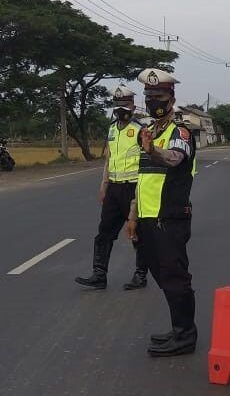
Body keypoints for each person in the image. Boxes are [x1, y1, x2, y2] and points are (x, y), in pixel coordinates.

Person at [125, 68, 198, 357]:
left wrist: (153, 150)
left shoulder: (180, 132)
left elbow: (174, 159)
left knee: (175, 277)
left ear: (171, 98)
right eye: (149, 96)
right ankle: (178, 328)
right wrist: (132, 216)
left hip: (170, 218)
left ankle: (185, 335)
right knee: (162, 276)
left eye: (159, 96)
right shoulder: (149, 131)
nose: (154, 101)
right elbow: (142, 179)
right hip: (147, 218)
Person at [75, 84, 147, 290]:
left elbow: (145, 162)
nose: (120, 109)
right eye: (117, 105)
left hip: (133, 187)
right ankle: (99, 275)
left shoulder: (141, 131)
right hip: (114, 189)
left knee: (136, 233)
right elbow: (109, 159)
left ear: (133, 106)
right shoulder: (112, 129)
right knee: (104, 232)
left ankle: (140, 275)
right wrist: (103, 186)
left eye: (124, 105)